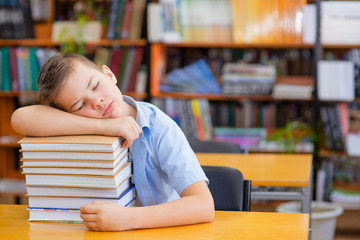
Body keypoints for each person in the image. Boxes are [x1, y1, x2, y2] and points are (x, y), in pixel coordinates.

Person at [11, 53, 214, 231]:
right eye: (80, 105)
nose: (96, 101)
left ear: (109, 74)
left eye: (96, 86)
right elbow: (19, 119)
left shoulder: (160, 128)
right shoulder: (81, 125)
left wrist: (129, 219)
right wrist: (103, 127)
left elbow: (203, 205)